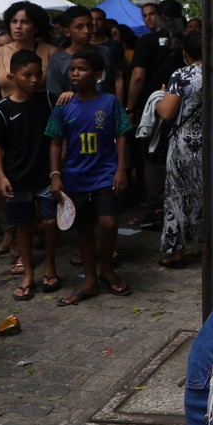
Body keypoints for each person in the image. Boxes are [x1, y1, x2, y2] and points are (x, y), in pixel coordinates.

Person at [45, 49, 132, 305]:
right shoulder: (64, 105)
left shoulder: (109, 102)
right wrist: (55, 174)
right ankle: (91, 279)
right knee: (83, 229)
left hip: (104, 174)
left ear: (97, 75)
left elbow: (122, 134)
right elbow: (54, 141)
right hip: (75, 177)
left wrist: (121, 168)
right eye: (72, 69)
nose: (75, 74)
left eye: (81, 69)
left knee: (108, 222)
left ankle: (107, 268)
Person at [0, 1, 60, 260]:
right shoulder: (0, 53)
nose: (18, 26)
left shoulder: (51, 52)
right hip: (4, 124)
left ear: (36, 26)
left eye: (24, 21)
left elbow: (56, 93)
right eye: (14, 21)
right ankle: (12, 231)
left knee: (34, 185)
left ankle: (27, 233)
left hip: (37, 128)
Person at [0, 49, 60, 299]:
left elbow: (61, 130)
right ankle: (29, 273)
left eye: (38, 74)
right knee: (23, 227)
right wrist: (2, 176)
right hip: (17, 178)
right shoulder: (2, 109)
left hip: (45, 175)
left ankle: (50, 263)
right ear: (12, 76)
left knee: (50, 222)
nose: (33, 80)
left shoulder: (49, 100)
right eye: (27, 75)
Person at [154, 32, 213, 268]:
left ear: (185, 54)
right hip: (212, 144)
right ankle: (210, 246)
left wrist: (160, 97)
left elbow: (167, 112)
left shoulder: (181, 75)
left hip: (183, 144)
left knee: (176, 197)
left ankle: (175, 252)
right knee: (210, 195)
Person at [127, 0, 186, 229]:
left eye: (152, 14)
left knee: (151, 155)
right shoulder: (188, 42)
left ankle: (157, 208)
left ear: (160, 16)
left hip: (155, 105)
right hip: (185, 107)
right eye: (145, 15)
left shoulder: (147, 41)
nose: (148, 19)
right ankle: (178, 205)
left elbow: (138, 76)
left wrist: (131, 107)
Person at [46, 6, 121, 100]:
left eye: (89, 26)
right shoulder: (58, 60)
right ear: (67, 32)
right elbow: (54, 95)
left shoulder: (104, 52)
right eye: (79, 27)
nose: (86, 31)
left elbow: (115, 80)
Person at [90, 7, 128, 97]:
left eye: (99, 19)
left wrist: (119, 106)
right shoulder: (81, 45)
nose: (95, 23)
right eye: (92, 19)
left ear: (105, 23)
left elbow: (119, 78)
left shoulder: (114, 46)